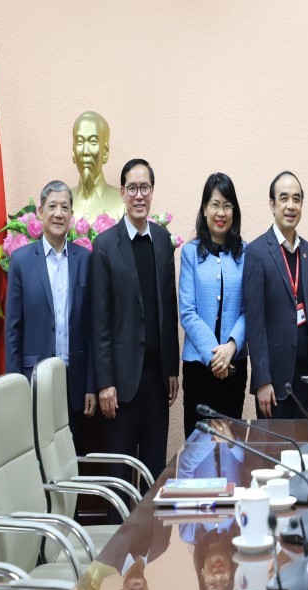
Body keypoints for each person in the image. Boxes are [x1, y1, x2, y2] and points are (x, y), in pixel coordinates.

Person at [91, 158, 180, 490]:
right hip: (121, 385)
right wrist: (105, 383)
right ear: (122, 193)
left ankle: (152, 527)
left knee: (154, 473)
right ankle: (120, 527)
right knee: (120, 476)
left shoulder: (162, 241)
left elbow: (168, 310)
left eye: (145, 188)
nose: (139, 195)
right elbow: (99, 320)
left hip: (157, 380)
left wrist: (172, 369)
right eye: (132, 188)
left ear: (152, 192)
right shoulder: (105, 246)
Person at [4, 180, 95, 444]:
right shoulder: (21, 261)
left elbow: (92, 327)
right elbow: (13, 331)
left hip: (75, 381)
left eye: (65, 207)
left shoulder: (85, 259)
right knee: (38, 457)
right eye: (52, 206)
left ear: (71, 215)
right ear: (40, 211)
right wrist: (15, 386)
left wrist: (91, 384)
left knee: (74, 455)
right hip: (34, 379)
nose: (58, 213)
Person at [244, 171, 308, 419]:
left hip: (306, 381)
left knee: (306, 444)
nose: (291, 206)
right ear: (272, 204)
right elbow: (254, 323)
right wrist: (262, 380)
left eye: (296, 199)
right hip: (274, 384)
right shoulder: (257, 251)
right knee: (273, 445)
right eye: (284, 198)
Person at [179, 173, 247, 437]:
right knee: (198, 447)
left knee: (231, 447)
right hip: (198, 368)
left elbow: (249, 310)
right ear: (205, 208)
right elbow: (187, 312)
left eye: (227, 205)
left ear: (234, 211)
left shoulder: (246, 253)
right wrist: (215, 357)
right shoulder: (190, 252)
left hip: (234, 366)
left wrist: (231, 347)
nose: (221, 212)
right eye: (215, 204)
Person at [70, 111, 124, 221]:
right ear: (73, 151)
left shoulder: (123, 204)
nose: (85, 151)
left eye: (93, 142)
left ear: (105, 152)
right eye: (79, 142)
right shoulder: (61, 203)